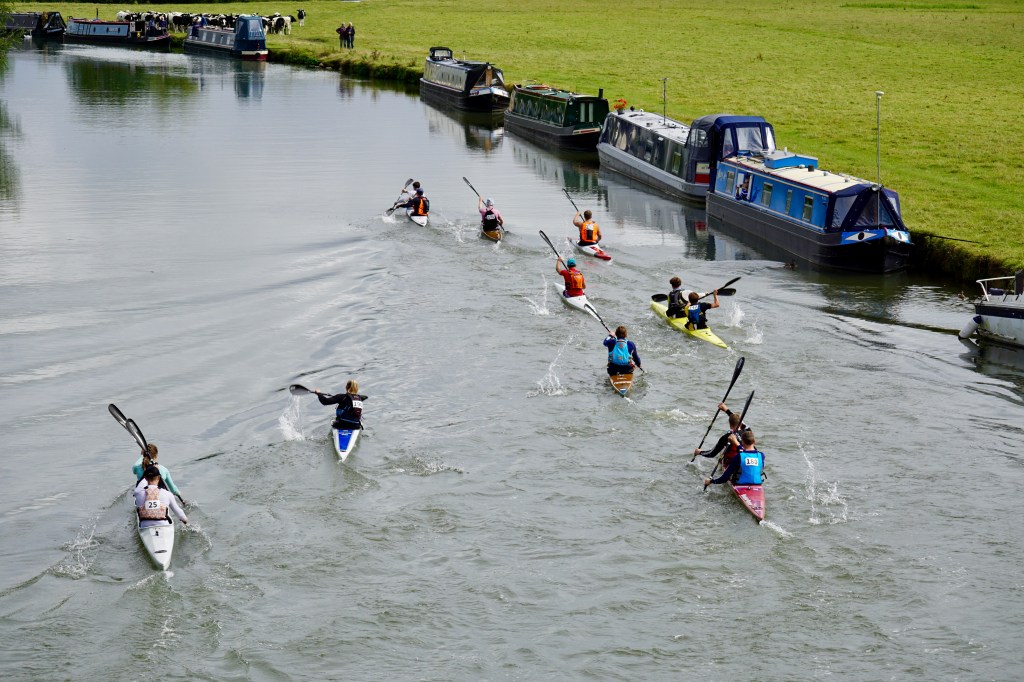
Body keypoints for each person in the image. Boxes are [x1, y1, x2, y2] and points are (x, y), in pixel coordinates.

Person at [693, 402, 747, 472]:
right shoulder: (747, 433)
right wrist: (726, 410)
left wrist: (699, 452)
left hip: (732, 465)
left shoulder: (726, 437)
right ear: (741, 423)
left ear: (730, 425)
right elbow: (743, 424)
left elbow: (711, 454)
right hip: (746, 463)